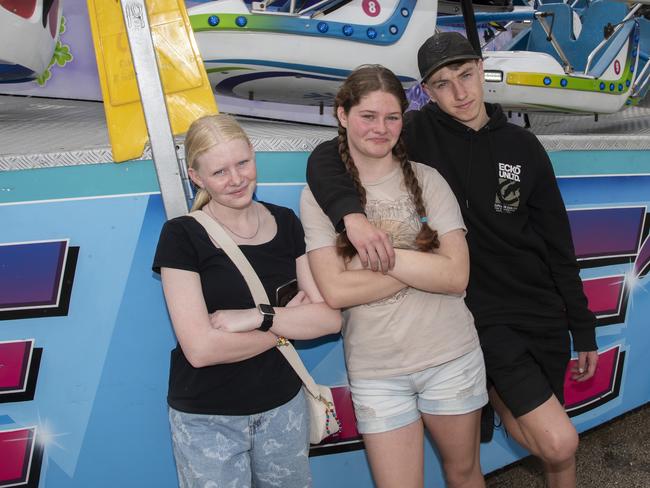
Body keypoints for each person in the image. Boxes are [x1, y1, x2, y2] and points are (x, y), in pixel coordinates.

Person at [306, 32, 598, 488]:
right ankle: (495, 388)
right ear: (427, 90)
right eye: (442, 83)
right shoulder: (415, 133)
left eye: (465, 75)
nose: (459, 92)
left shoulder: (523, 147)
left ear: (482, 70)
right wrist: (352, 217)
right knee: (560, 442)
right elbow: (329, 155)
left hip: (537, 310)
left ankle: (497, 394)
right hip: (478, 318)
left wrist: (582, 327)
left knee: (552, 451)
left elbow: (559, 245)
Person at [300, 65, 488, 488]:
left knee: (464, 474)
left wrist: (387, 261)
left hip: (450, 357)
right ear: (342, 115)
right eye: (368, 116)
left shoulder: (429, 180)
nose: (380, 128)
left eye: (392, 117)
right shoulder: (320, 197)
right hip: (376, 370)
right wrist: (424, 265)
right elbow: (335, 290)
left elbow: (457, 276)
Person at [153, 114, 342, 488]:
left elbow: (329, 319)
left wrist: (257, 316)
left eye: (242, 163)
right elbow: (201, 349)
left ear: (254, 156)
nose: (237, 179)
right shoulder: (181, 235)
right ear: (196, 177)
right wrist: (285, 323)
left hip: (283, 407)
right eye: (220, 172)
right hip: (208, 419)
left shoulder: (286, 222)